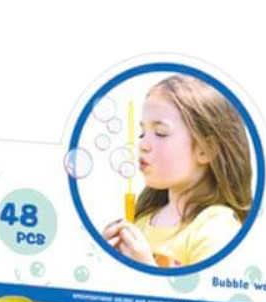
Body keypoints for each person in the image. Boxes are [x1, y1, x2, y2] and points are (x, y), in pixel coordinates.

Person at [103, 74, 252, 267]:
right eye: (142, 133)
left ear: (205, 150)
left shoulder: (217, 227)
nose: (142, 144)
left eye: (160, 133)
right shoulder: (140, 222)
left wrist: (145, 268)